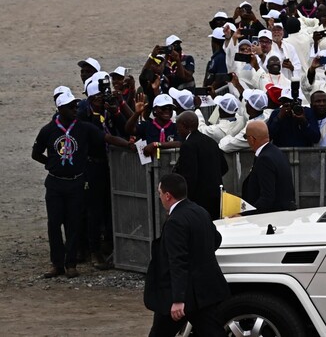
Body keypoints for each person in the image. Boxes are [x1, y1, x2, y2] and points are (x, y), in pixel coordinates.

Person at [32, 89, 133, 278]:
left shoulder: (83, 127)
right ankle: (57, 263)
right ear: (60, 108)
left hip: (76, 182)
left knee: (73, 223)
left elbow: (107, 138)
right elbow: (35, 153)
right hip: (55, 183)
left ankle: (71, 264)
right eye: (70, 106)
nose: (75, 109)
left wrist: (127, 144)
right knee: (54, 224)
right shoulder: (48, 130)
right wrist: (52, 165)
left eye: (76, 105)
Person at [144, 173, 231, 337]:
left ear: (168, 196)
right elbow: (215, 239)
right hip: (204, 291)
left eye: (160, 193)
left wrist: (178, 300)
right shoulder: (200, 211)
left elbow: (177, 261)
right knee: (211, 331)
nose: (160, 197)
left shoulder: (175, 221)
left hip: (182, 294)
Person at [172, 112, 229, 220]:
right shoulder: (211, 142)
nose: (177, 130)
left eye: (178, 126)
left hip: (199, 201)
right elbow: (224, 167)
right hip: (217, 198)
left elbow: (189, 177)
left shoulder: (188, 145)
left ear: (185, 126)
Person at [240, 120, 296, 214]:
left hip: (271, 218)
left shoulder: (264, 159)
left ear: (252, 139)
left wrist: (244, 215)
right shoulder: (277, 152)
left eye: (246, 137)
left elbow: (267, 197)